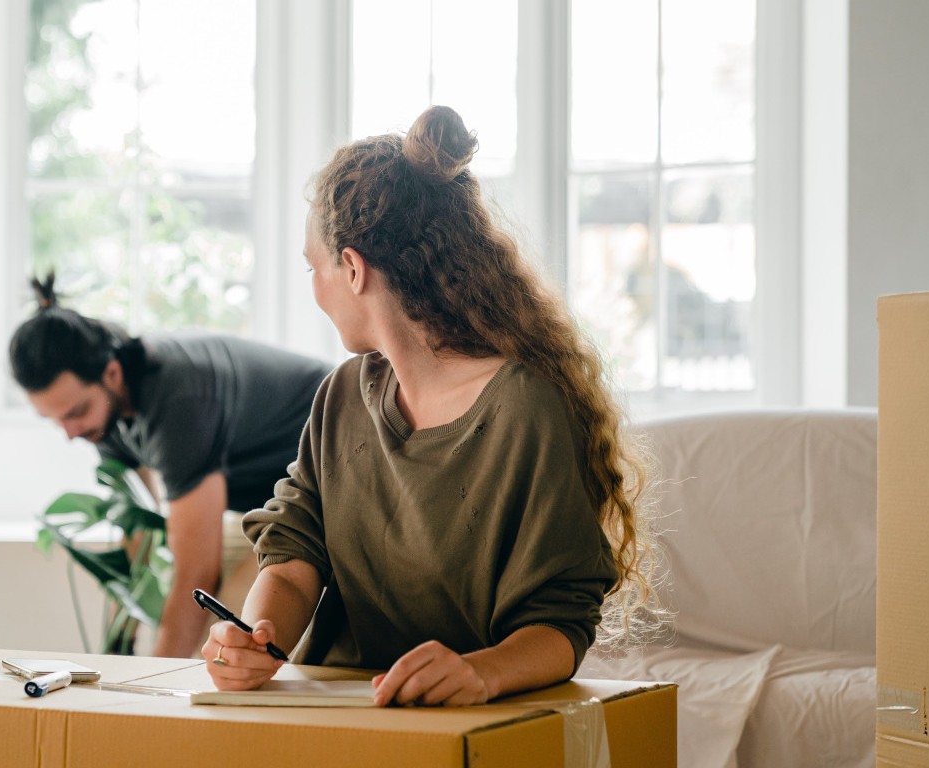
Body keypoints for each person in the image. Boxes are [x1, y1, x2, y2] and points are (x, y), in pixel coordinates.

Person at [203, 106, 656, 706]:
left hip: (465, 722)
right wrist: (255, 639)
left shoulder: (527, 408)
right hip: (335, 719)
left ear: (353, 269)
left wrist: (480, 673)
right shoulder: (341, 395)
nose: (314, 287)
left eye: (314, 267)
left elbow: (560, 624)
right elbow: (292, 556)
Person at [9, 276, 334, 658]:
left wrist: (147, 684)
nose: (70, 433)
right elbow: (140, 530)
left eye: (76, 413)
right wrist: (118, 652)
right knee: (203, 631)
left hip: (330, 482)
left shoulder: (178, 400)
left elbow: (197, 572)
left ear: (112, 374)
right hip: (269, 501)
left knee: (232, 634)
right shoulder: (104, 415)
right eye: (56, 420)